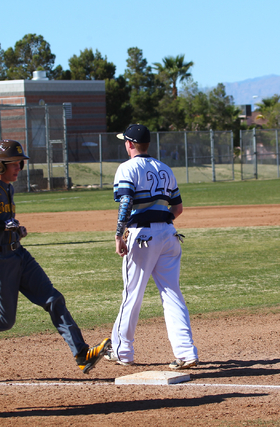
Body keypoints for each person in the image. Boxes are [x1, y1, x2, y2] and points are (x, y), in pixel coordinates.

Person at [0, 139, 110, 374]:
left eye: (21, 163)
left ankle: (82, 353)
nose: (20, 168)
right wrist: (0, 226)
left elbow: (4, 223)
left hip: (18, 254)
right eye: (15, 163)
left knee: (53, 299)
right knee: (3, 321)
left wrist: (16, 229)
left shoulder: (8, 186)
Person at [106, 124, 198, 369]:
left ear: (129, 144)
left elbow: (126, 201)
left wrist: (118, 235)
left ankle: (123, 351)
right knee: (172, 293)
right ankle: (187, 353)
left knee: (132, 295)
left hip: (142, 236)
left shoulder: (127, 168)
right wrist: (162, 226)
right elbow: (177, 209)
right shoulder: (165, 168)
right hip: (169, 235)